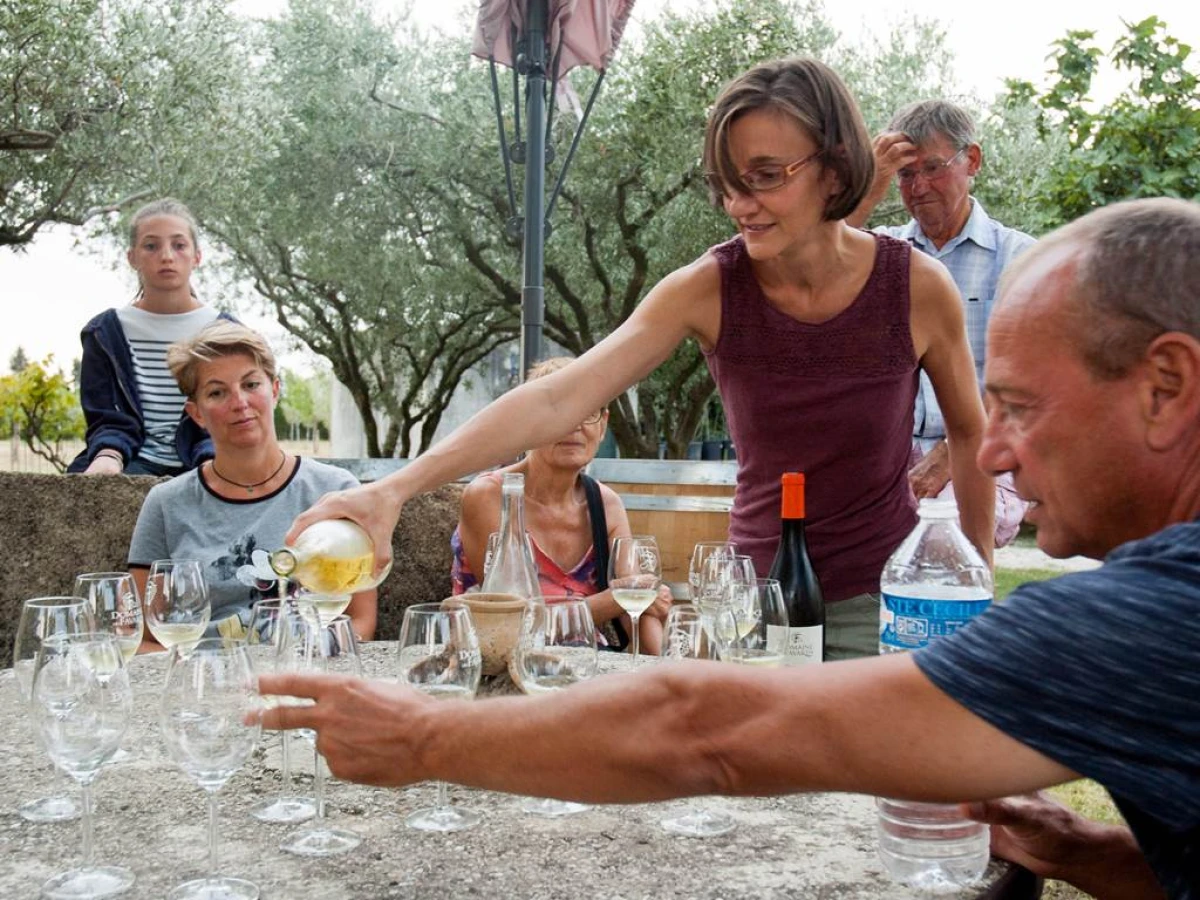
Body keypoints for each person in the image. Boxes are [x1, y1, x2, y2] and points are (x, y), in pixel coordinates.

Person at [259, 197, 1200, 900]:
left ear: (1166, 386)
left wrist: (418, 734)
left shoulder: (1151, 620)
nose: (990, 451)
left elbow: (707, 734)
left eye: (1023, 409)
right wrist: (1103, 857)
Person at [289, 57, 994, 660]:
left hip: (883, 603)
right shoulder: (708, 288)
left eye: (766, 175)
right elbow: (557, 399)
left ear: (836, 166)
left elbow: (970, 431)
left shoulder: (916, 288)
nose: (739, 204)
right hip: (745, 603)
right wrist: (390, 490)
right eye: (726, 183)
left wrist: (977, 582)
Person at [847, 100, 1036, 547]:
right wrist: (867, 189)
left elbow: (1030, 380)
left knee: (942, 545)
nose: (919, 186)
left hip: (985, 450)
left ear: (971, 161)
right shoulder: (879, 254)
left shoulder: (1021, 259)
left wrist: (951, 454)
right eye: (905, 175)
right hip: (888, 458)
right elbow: (808, 262)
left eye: (933, 167)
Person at [127, 321, 377, 647]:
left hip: (306, 677)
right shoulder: (165, 503)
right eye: (217, 392)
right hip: (207, 683)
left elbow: (360, 621)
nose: (239, 402)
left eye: (251, 384)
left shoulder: (336, 490)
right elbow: (146, 637)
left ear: (274, 390)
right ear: (197, 413)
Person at [452, 357, 671, 654]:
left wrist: (668, 671)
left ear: (603, 424)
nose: (576, 424)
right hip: (498, 670)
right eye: (560, 410)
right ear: (526, 422)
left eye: (588, 411)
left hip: (585, 667)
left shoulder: (607, 505)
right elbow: (513, 622)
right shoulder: (489, 496)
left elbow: (640, 601)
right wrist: (618, 598)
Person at [68, 198, 235, 476]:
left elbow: (232, 411)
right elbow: (105, 417)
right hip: (128, 460)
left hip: (205, 460)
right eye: (151, 246)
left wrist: (215, 464)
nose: (167, 256)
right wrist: (108, 456)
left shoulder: (225, 331)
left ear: (197, 256)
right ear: (132, 257)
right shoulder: (104, 333)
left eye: (179, 245)